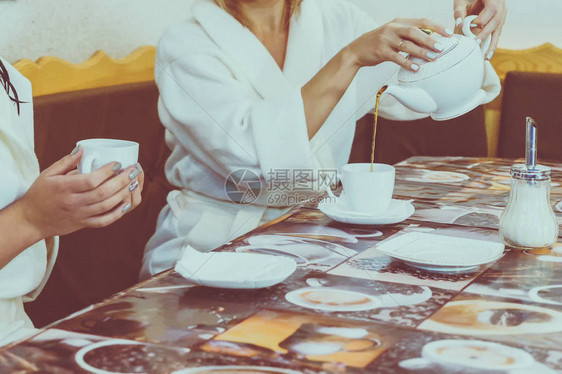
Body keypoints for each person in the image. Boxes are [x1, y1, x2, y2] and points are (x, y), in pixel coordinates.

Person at [141, 0, 507, 279]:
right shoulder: (185, 43)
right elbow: (253, 159)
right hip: (212, 246)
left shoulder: (336, 19)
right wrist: (348, 59)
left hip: (319, 238)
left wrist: (468, 36)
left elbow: (420, 90)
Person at [0, 57, 144, 346]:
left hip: (15, 325)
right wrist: (31, 218)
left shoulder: (6, 73)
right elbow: (25, 214)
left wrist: (69, 203)